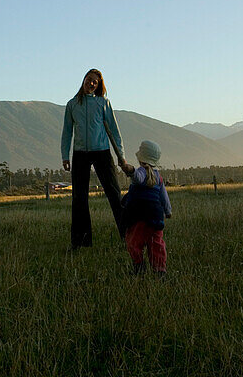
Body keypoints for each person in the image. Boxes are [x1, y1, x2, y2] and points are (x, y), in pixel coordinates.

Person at [61, 68, 133, 249]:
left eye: (95, 82)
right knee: (79, 198)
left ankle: (128, 236)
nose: (91, 83)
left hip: (102, 152)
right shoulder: (72, 105)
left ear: (99, 85)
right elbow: (67, 132)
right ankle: (81, 242)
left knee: (114, 194)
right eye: (89, 79)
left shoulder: (103, 103)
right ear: (83, 79)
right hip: (79, 154)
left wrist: (121, 156)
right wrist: (65, 155)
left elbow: (115, 131)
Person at [120, 139, 172, 275]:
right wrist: (168, 211)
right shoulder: (158, 177)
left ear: (141, 158)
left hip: (139, 216)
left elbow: (137, 177)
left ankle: (139, 267)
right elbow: (164, 197)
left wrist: (129, 169)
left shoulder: (141, 172)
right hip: (156, 216)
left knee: (134, 242)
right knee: (156, 244)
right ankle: (159, 270)